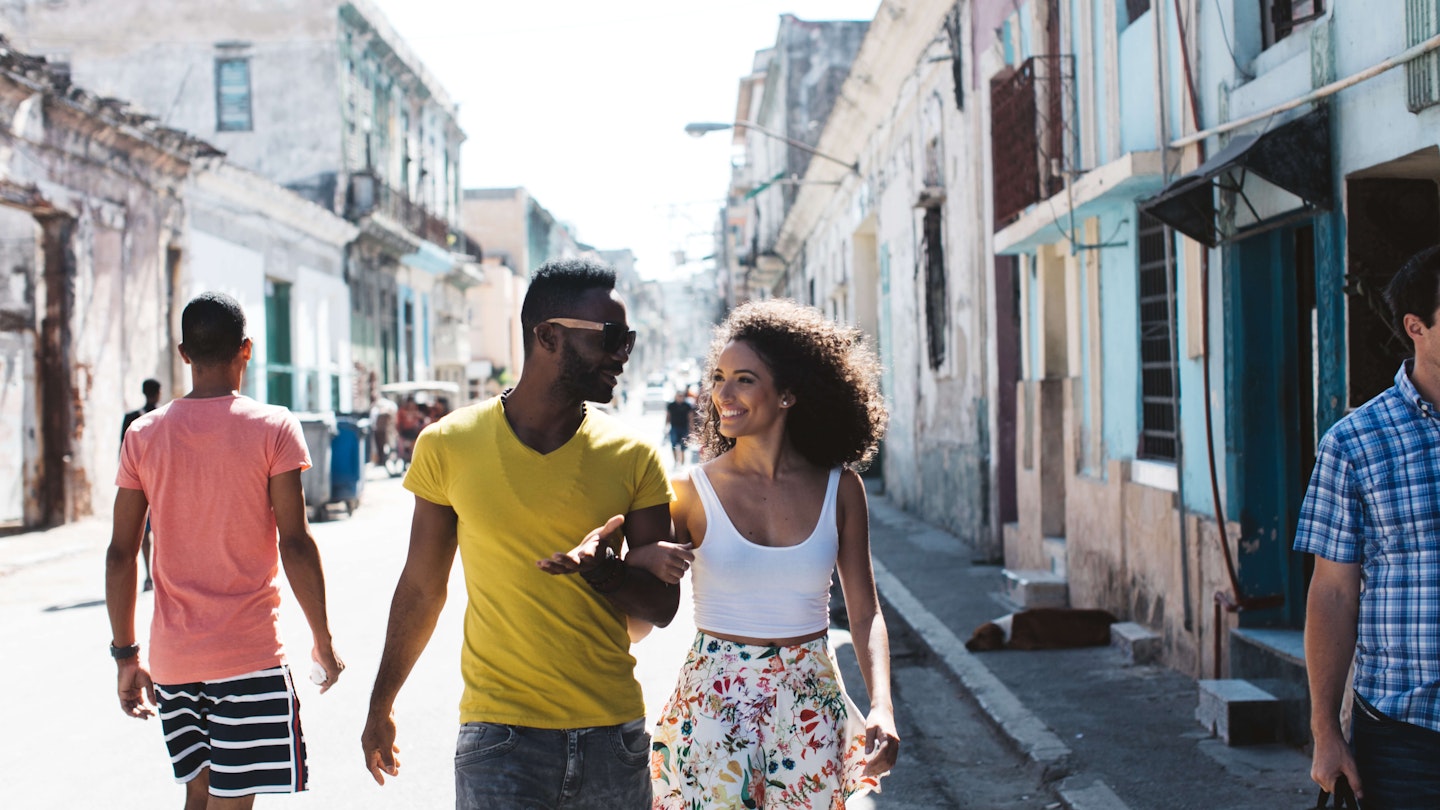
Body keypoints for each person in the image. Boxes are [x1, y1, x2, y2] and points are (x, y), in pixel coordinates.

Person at [361, 257, 680, 810]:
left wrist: (605, 572)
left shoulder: (633, 457)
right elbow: (421, 587)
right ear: (548, 336)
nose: (622, 357)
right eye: (612, 338)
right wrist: (380, 703)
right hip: (499, 740)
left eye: (628, 341)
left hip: (613, 739)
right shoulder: (448, 444)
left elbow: (663, 606)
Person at [631, 299, 899, 809]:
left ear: (789, 393)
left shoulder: (841, 489)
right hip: (713, 704)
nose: (722, 394)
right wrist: (639, 561)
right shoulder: (688, 490)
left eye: (744, 379)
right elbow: (644, 612)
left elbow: (865, 613)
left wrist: (882, 706)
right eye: (718, 377)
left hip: (810, 703)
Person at [105, 291, 344, 810]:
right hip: (248, 657)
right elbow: (296, 543)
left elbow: (121, 554)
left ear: (184, 353)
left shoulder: (144, 434)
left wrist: (126, 656)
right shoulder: (273, 427)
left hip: (174, 660)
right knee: (233, 803)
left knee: (200, 796)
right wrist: (322, 639)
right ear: (247, 350)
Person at [1296, 245, 1440, 808]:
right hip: (1404, 734)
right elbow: (1333, 593)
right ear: (1416, 327)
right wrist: (1325, 732)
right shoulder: (1355, 443)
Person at [121, 377, 162, 591]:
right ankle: (159, 574)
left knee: (143, 533)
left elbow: (123, 452)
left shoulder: (131, 419)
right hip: (163, 481)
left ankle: (149, 576)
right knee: (164, 531)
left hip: (140, 482)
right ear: (159, 393)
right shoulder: (166, 418)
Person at [664, 389, 695, 467]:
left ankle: (682, 463)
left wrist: (691, 429)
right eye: (679, 396)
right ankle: (675, 462)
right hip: (674, 428)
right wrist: (666, 427)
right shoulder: (671, 405)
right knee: (674, 445)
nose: (680, 398)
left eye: (682, 396)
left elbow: (690, 417)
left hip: (684, 428)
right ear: (675, 396)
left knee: (683, 447)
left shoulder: (687, 405)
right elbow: (668, 416)